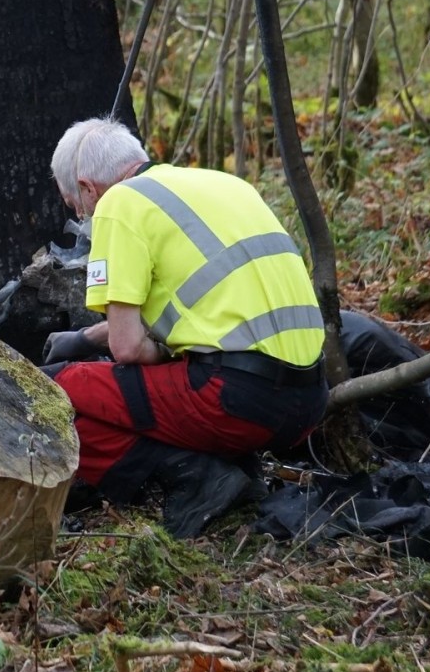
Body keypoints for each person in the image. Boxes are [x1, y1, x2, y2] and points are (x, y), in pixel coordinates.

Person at [43, 117, 328, 536]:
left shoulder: (119, 204)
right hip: (309, 400)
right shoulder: (223, 184)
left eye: (76, 207)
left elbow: (127, 348)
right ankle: (228, 464)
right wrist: (85, 337)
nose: (82, 218)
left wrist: (145, 352)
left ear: (88, 189)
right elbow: (204, 312)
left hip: (235, 400)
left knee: (51, 391)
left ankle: (193, 476)